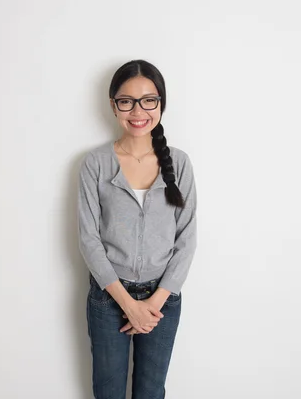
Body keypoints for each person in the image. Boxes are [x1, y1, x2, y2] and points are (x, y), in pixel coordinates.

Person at [77, 59, 198, 399]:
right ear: (113, 105)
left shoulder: (180, 163)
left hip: (163, 300)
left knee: (150, 392)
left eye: (149, 100)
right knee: (108, 391)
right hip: (108, 298)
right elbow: (89, 239)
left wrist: (154, 304)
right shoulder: (95, 163)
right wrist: (129, 304)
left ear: (161, 103)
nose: (138, 110)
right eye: (126, 101)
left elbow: (186, 240)